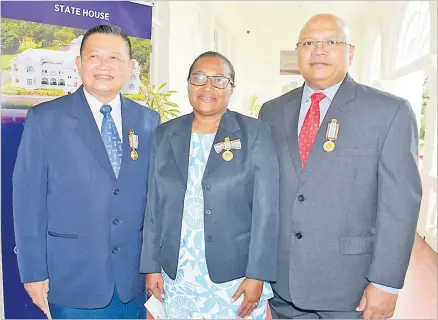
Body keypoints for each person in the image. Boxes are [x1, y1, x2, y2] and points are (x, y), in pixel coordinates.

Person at [259, 14, 422, 319]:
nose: (318, 51)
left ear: (350, 51)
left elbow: (400, 205)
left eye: (331, 42)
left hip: (351, 290)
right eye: (309, 43)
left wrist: (386, 283)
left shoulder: (389, 112)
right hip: (284, 286)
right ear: (298, 52)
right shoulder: (271, 111)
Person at [13, 24, 160, 319]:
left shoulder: (148, 121)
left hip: (132, 281)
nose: (104, 66)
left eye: (115, 59)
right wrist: (32, 271)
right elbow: (28, 200)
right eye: (95, 57)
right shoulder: (45, 119)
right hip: (71, 279)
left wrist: (153, 266)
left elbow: (154, 202)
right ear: (79, 63)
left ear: (130, 67)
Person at [140, 51, 279, 319]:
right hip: (176, 272)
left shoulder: (254, 133)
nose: (207, 87)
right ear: (189, 84)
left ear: (231, 89)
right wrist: (151, 266)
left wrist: (258, 274)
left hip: (235, 274)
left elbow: (267, 211)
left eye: (219, 80)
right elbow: (153, 205)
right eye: (199, 78)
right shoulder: (165, 134)